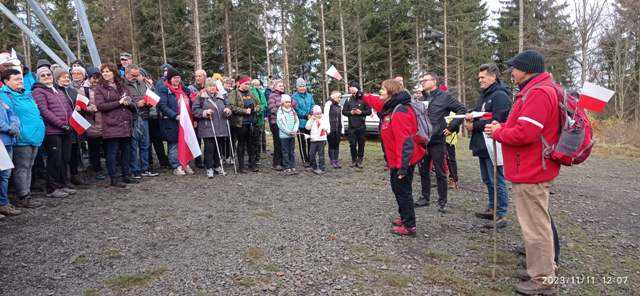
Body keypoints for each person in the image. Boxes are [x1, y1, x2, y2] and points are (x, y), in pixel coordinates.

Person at [484, 50, 561, 295]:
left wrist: (498, 133)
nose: (511, 72)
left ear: (527, 69)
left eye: (514, 68)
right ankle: (541, 269)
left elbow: (525, 134)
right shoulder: (535, 90)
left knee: (535, 226)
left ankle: (542, 278)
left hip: (531, 168)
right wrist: (504, 126)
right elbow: (524, 126)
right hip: (531, 167)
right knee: (537, 222)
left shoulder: (538, 93)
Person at [363, 79, 426, 236]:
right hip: (396, 161)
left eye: (383, 89)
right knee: (398, 189)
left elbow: (405, 142)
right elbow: (375, 102)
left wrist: (402, 167)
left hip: (403, 161)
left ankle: (409, 225)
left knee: (403, 191)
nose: (380, 92)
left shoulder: (400, 111)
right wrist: (360, 94)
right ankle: (405, 218)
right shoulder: (389, 106)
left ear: (391, 92)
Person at [465, 63, 512, 228]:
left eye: (483, 77)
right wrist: (470, 117)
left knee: (497, 178)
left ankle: (501, 214)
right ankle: (492, 208)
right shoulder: (484, 95)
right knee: (487, 179)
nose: (480, 80)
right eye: (479, 77)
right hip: (482, 143)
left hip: (493, 143)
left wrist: (474, 126)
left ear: (493, 77)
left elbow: (498, 119)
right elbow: (481, 113)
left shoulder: (500, 95)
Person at [414, 72, 466, 213]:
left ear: (434, 81)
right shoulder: (420, 98)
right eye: (421, 80)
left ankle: (442, 201)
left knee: (440, 172)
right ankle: (425, 197)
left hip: (437, 140)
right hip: (422, 140)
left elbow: (462, 109)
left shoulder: (445, 97)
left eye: (425, 80)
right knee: (423, 171)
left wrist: (452, 127)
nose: (422, 82)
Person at [0, 69, 45, 208]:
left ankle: (27, 193)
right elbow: (11, 115)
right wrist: (18, 130)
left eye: (21, 79)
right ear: (6, 82)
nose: (20, 81)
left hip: (34, 136)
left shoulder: (27, 94)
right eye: (16, 79)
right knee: (22, 167)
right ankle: (23, 196)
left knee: (29, 166)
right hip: (21, 137)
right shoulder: (6, 95)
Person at [32, 66, 76, 198]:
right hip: (53, 131)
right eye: (43, 75)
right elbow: (44, 111)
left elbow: (67, 108)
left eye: (48, 74)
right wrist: (61, 124)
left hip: (66, 129)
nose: (47, 77)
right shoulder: (38, 92)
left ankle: (63, 184)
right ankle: (52, 188)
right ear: (39, 78)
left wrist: (71, 122)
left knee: (64, 158)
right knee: (54, 160)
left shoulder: (57, 90)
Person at [94, 63, 139, 187]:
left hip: (125, 123)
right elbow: (100, 106)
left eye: (108, 71)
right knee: (112, 153)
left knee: (126, 151)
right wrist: (119, 102)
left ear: (114, 72)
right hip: (111, 124)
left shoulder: (122, 85)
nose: (105, 73)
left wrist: (128, 102)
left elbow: (130, 99)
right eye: (103, 72)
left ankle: (126, 175)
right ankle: (114, 178)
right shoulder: (99, 88)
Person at [52, 67, 88, 186]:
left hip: (74, 127)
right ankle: (64, 177)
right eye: (63, 77)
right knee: (64, 155)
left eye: (67, 77)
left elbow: (80, 104)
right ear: (57, 79)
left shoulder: (72, 91)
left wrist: (80, 108)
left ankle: (74, 174)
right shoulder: (55, 91)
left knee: (74, 152)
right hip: (63, 127)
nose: (66, 79)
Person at [124, 64, 159, 179]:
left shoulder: (142, 83)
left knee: (145, 144)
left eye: (137, 74)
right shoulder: (123, 85)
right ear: (127, 73)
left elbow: (151, 94)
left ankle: (145, 168)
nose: (136, 77)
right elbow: (123, 100)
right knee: (134, 146)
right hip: (132, 118)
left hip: (144, 117)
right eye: (133, 75)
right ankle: (135, 170)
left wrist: (148, 102)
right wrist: (136, 104)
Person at [157, 67, 194, 176]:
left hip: (186, 122)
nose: (176, 80)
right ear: (169, 79)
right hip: (172, 122)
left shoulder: (184, 90)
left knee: (186, 142)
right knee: (174, 144)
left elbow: (190, 102)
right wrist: (175, 115)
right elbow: (163, 106)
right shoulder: (165, 90)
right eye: (174, 78)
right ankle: (176, 166)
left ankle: (185, 163)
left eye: (178, 77)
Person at [192, 78, 232, 178]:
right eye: (209, 86)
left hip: (220, 127)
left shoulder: (221, 97)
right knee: (209, 148)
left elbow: (229, 106)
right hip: (207, 127)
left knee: (219, 147)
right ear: (206, 87)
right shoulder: (201, 97)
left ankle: (217, 166)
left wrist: (228, 110)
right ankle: (209, 167)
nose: (212, 88)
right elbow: (195, 110)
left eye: (213, 86)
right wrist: (205, 112)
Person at [228, 75, 262, 173]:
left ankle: (252, 164)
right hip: (240, 123)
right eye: (246, 83)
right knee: (241, 144)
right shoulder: (234, 93)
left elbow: (259, 104)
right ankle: (241, 166)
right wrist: (244, 111)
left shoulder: (251, 93)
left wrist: (255, 109)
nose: (248, 85)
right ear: (240, 83)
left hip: (251, 122)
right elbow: (231, 106)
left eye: (249, 84)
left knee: (251, 144)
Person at [0, 72, 22, 217]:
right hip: (3, 139)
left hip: (8, 141)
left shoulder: (1, 99)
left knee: (5, 175)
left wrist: (14, 124)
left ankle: (3, 203)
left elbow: (11, 113)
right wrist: (8, 128)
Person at [82, 67, 107, 180]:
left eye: (98, 78)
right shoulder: (84, 89)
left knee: (107, 146)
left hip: (105, 121)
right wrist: (89, 108)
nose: (96, 80)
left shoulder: (103, 87)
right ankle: (96, 168)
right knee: (94, 147)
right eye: (94, 78)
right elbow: (81, 105)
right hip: (92, 122)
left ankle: (107, 167)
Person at [268, 80, 296, 171]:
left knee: (286, 144)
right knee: (278, 142)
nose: (282, 87)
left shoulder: (286, 96)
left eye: (283, 86)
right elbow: (272, 109)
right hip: (275, 122)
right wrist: (283, 107)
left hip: (287, 123)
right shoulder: (272, 96)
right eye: (280, 86)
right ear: (275, 87)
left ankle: (286, 162)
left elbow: (295, 104)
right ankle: (277, 163)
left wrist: (289, 101)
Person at [342, 82, 371, 168]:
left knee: (361, 143)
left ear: (356, 88)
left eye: (352, 87)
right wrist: (350, 112)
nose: (350, 88)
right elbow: (344, 112)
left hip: (361, 126)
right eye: (350, 87)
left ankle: (360, 160)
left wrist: (361, 112)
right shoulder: (348, 100)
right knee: (352, 144)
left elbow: (369, 112)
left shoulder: (364, 99)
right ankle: (354, 160)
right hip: (351, 126)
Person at [292, 78, 314, 167]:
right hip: (300, 122)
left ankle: (310, 158)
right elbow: (296, 109)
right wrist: (305, 115)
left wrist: (311, 113)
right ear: (297, 87)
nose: (302, 88)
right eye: (300, 86)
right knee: (302, 142)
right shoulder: (294, 97)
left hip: (310, 122)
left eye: (303, 86)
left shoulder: (310, 96)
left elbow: (313, 105)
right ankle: (305, 160)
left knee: (310, 141)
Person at [276, 94, 298, 175]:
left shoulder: (293, 110)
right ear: (282, 102)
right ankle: (286, 166)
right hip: (284, 136)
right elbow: (280, 123)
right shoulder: (280, 111)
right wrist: (288, 131)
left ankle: (292, 166)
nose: (288, 104)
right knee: (285, 151)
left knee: (291, 151)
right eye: (286, 102)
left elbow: (296, 121)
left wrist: (295, 130)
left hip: (292, 135)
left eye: (289, 102)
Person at [305, 105, 329, 174]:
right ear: (314, 114)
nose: (318, 115)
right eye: (317, 114)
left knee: (321, 154)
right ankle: (314, 166)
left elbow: (325, 127)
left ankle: (322, 168)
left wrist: (320, 122)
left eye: (320, 113)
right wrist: (311, 120)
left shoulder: (323, 119)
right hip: (314, 139)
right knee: (311, 154)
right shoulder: (312, 120)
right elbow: (307, 127)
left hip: (321, 139)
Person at [324, 90, 343, 169]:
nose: (340, 98)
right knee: (331, 145)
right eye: (338, 97)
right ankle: (332, 160)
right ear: (333, 96)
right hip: (331, 128)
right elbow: (325, 116)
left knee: (337, 145)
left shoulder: (339, 106)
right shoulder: (328, 104)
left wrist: (342, 130)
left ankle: (336, 159)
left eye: (340, 97)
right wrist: (327, 129)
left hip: (337, 129)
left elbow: (341, 118)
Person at [250, 79, 268, 155]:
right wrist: (258, 109)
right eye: (255, 85)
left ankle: (258, 154)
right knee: (254, 137)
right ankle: (254, 154)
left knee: (259, 136)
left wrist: (260, 109)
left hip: (260, 118)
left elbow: (264, 103)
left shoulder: (261, 92)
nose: (257, 86)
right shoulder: (251, 92)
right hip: (253, 117)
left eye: (258, 85)